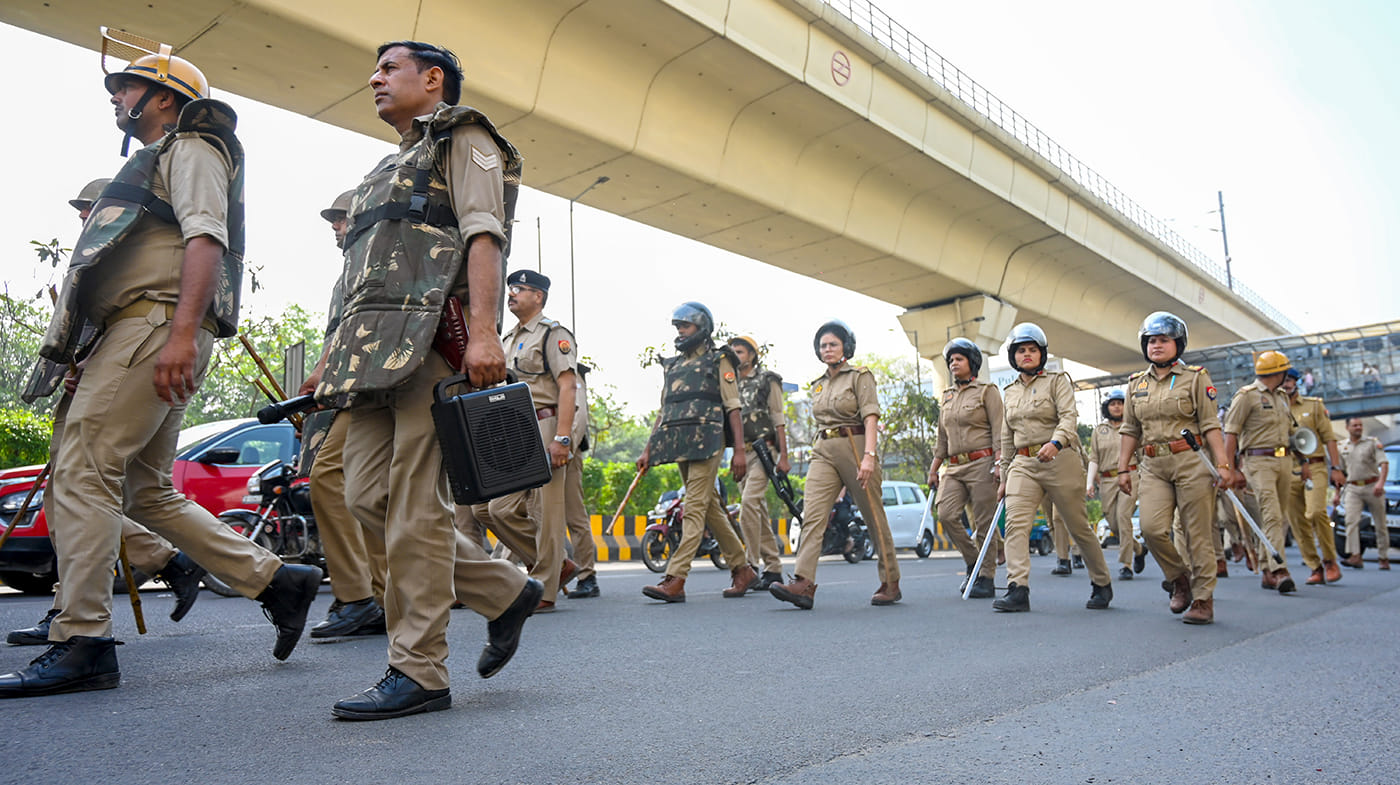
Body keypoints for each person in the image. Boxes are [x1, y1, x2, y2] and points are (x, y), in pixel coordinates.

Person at [0, 35, 321, 699]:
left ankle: (82, 637)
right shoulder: (161, 157)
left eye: (126, 85)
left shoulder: (192, 147)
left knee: (83, 472)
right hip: (147, 329)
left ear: (164, 95)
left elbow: (207, 237)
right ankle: (276, 579)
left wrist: (179, 334)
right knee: (145, 490)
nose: (117, 96)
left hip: (154, 324)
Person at [313, 41, 540, 720]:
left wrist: (485, 330)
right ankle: (503, 588)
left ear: (432, 79)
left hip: (431, 348)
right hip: (371, 359)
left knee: (414, 508)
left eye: (390, 69)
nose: (374, 79)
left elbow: (483, 234)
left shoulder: (463, 135)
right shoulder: (385, 167)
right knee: (364, 496)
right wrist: (332, 353)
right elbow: (362, 275)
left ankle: (419, 670)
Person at [8, 178, 207, 647]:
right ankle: (79, 603)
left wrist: (92, 366)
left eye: (89, 208)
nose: (83, 216)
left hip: (113, 377)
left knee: (81, 490)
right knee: (71, 494)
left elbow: (118, 323)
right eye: (80, 209)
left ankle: (80, 613)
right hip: (89, 378)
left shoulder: (123, 251)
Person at [299, 190, 388, 639]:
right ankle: (380, 595)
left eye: (342, 218)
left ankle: (358, 597)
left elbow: (356, 322)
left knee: (330, 479)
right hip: (356, 385)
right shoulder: (351, 264)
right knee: (365, 491)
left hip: (363, 384)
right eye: (332, 219)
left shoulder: (371, 254)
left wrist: (320, 373)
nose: (335, 226)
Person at [770, 320, 901, 609]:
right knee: (813, 514)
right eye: (822, 345)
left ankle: (890, 582)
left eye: (832, 344)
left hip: (854, 447)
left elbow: (870, 416)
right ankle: (803, 582)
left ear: (845, 347)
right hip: (823, 450)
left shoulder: (859, 376)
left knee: (873, 517)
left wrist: (869, 456)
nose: (826, 349)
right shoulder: (818, 384)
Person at [1118, 312, 1231, 624]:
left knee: (1197, 535)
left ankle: (1203, 599)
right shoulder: (1135, 384)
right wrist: (1123, 468)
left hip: (1192, 461)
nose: (1156, 346)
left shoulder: (1195, 378)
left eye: (1163, 340)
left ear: (1177, 344)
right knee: (1152, 529)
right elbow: (1129, 429)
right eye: (1151, 341)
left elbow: (1210, 426)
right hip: (1152, 464)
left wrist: (1223, 465)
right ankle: (1178, 577)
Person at [638, 302, 755, 602]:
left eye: (685, 326)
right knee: (711, 507)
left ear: (701, 328)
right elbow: (664, 411)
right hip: (680, 443)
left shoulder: (720, 360)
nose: (679, 331)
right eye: (677, 327)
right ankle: (742, 569)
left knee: (693, 508)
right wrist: (648, 448)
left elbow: (733, 407)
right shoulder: (673, 366)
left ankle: (675, 578)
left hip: (708, 442)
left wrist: (738, 451)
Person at [992, 323, 1111, 612]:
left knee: (1077, 526)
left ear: (1042, 354)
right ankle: (1017, 588)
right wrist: (1005, 475)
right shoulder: (1008, 392)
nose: (1027, 355)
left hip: (1060, 459)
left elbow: (1068, 418)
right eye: (1021, 351)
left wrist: (1055, 443)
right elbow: (1007, 437)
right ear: (1013, 356)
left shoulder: (1058, 381)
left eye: (1033, 350)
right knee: (1016, 524)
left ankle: (1101, 582)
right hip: (1023, 463)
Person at [482, 269, 579, 612]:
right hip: (513, 428)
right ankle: (555, 566)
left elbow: (568, 386)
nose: (511, 294)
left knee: (549, 512)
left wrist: (563, 438)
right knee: (494, 508)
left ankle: (545, 590)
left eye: (519, 289)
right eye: (510, 288)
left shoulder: (554, 334)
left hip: (545, 423)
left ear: (538, 296)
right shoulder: (506, 338)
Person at [926, 337, 1002, 598]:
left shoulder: (987, 391)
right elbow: (942, 438)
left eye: (958, 359)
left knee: (984, 523)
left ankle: (987, 577)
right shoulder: (947, 396)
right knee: (946, 514)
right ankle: (974, 561)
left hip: (983, 462)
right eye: (950, 360)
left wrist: (1000, 462)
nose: (953, 364)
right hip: (954, 467)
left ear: (972, 362)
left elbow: (999, 430)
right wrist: (934, 468)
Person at [1221, 350, 1297, 594]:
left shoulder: (1283, 397)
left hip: (1284, 460)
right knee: (1272, 514)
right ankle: (1279, 570)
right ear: (1279, 372)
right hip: (1257, 461)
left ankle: (1265, 567)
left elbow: (1292, 431)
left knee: (1280, 517)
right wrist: (1230, 470)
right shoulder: (1246, 396)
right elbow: (1230, 434)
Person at [728, 335, 788, 591]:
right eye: (733, 352)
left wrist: (784, 456)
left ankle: (750, 565)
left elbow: (779, 419)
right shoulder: (729, 383)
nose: (736, 356)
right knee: (758, 511)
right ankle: (773, 569)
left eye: (740, 352)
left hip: (766, 450)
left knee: (749, 504)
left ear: (752, 355)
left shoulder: (767, 380)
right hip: (742, 453)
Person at [1281, 368, 1345, 585]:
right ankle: (1314, 566)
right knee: (1297, 521)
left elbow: (1329, 438)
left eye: (1290, 380)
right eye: (1283, 380)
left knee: (1316, 512)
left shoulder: (1314, 405)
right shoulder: (1272, 406)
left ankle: (1330, 561)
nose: (1286, 384)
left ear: (1297, 382)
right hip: (1287, 467)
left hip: (1315, 465)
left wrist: (1336, 467)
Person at [1086, 390, 1147, 581]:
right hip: (1106, 480)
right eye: (1113, 403)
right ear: (1107, 407)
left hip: (1130, 475)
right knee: (1112, 521)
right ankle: (1138, 549)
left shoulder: (1133, 428)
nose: (1117, 407)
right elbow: (1094, 458)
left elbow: (1143, 455)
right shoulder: (1099, 431)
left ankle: (1126, 565)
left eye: (1120, 403)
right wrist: (1089, 483)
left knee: (1123, 517)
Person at [564, 364, 600, 599]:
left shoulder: (569, 369)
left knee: (574, 516)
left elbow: (580, 413)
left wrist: (566, 446)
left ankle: (587, 576)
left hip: (565, 451)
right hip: (538, 449)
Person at [1338, 417, 1390, 570]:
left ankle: (1383, 557)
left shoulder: (1372, 443)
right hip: (1353, 488)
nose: (1358, 428)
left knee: (1380, 523)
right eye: (1355, 425)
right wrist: (1337, 494)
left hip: (1373, 486)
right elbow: (1340, 472)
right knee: (1351, 521)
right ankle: (1355, 555)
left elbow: (1384, 464)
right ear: (1347, 427)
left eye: (1360, 425)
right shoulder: (1342, 446)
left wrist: (1381, 483)